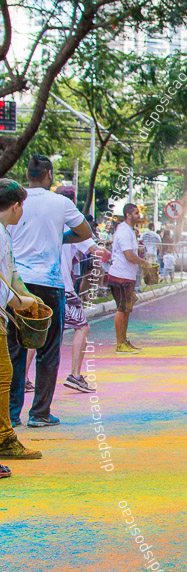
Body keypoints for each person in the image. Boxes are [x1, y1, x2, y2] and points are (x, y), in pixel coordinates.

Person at [8, 155, 92, 426]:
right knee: (48, 350)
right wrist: (60, 237)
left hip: (15, 284)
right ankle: (40, 413)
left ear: (28, 173)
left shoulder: (14, 201)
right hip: (49, 284)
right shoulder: (61, 202)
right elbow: (84, 232)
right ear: (50, 175)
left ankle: (11, 414)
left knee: (15, 349)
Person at [0, 179, 46, 468]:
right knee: (3, 374)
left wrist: (29, 297)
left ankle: (5, 436)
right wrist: (20, 303)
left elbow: (12, 274)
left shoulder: (5, 235)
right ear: (15, 206)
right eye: (22, 207)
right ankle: (4, 438)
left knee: (5, 374)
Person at [61, 230, 106, 392]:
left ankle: (23, 378)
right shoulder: (70, 226)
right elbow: (97, 251)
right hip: (61, 287)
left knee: (38, 331)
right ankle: (75, 375)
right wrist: (108, 254)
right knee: (82, 327)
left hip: (33, 285)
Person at [108, 204, 148, 355]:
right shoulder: (124, 231)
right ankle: (120, 343)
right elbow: (129, 255)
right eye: (136, 213)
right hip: (120, 276)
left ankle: (124, 341)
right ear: (128, 215)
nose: (139, 215)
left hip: (127, 276)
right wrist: (144, 263)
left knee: (127, 309)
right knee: (122, 309)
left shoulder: (129, 230)